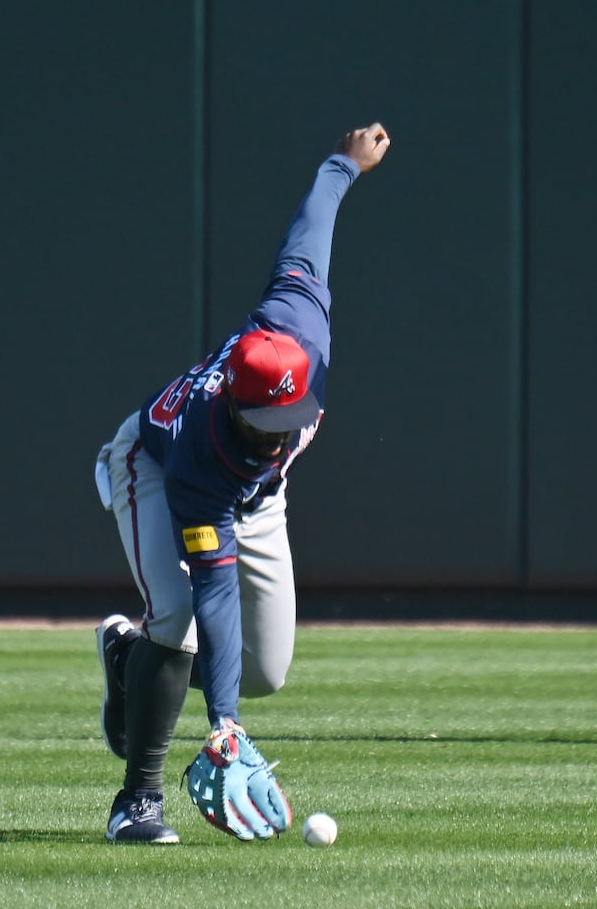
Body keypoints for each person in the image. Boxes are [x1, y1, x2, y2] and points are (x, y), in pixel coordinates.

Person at [91, 123, 391, 842]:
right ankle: (137, 802)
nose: (285, 427)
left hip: (254, 499)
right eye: (270, 420)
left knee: (268, 671)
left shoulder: (299, 324)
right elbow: (215, 589)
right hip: (156, 471)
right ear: (236, 405)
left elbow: (307, 238)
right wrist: (224, 725)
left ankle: (131, 665)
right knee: (180, 620)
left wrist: (342, 166)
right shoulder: (205, 451)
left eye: (293, 412)